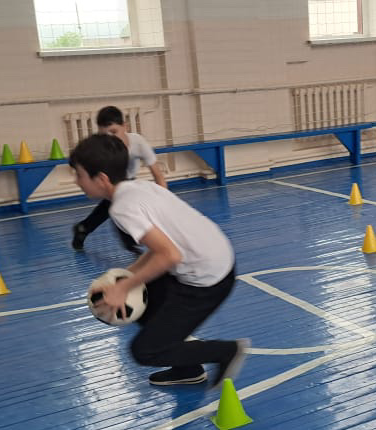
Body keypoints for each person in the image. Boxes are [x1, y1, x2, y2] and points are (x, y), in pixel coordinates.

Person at [69, 133, 247, 388]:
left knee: (145, 351)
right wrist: (128, 276)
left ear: (102, 179)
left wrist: (122, 287)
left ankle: (225, 351)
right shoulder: (139, 187)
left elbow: (169, 255)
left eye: (79, 175)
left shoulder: (121, 208)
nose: (76, 181)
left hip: (207, 279)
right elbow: (161, 247)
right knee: (147, 302)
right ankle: (188, 369)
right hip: (216, 257)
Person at [72, 106, 169, 250]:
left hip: (129, 180)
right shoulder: (102, 148)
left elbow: (158, 175)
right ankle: (127, 238)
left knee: (115, 205)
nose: (111, 138)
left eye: (114, 132)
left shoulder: (138, 143)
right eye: (105, 135)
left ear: (125, 126)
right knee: (117, 205)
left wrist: (164, 202)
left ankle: (84, 227)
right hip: (111, 181)